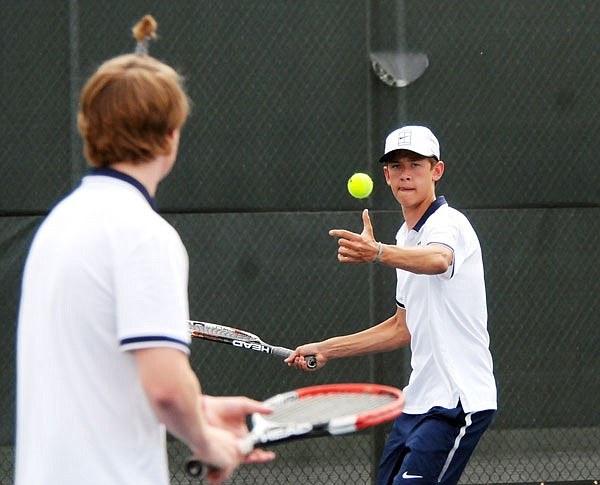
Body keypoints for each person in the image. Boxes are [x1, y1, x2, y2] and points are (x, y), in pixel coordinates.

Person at [15, 15, 273, 485]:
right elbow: (165, 391)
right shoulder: (142, 233)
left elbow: (102, 381)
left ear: (88, 129)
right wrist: (208, 442)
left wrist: (200, 408)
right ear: (172, 135)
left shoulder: (59, 225)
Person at [286, 125, 497, 484]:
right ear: (385, 176)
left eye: (415, 164)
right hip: (417, 404)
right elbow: (403, 327)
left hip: (458, 402)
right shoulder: (405, 238)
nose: (405, 174)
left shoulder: (449, 224)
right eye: (396, 166)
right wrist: (328, 349)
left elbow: (439, 260)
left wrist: (379, 253)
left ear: (437, 170)